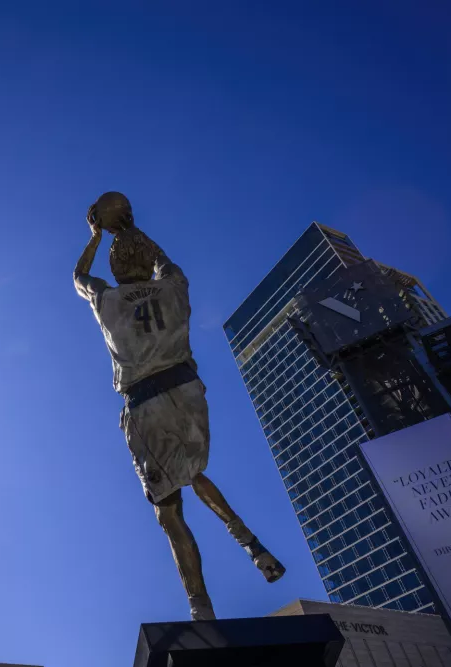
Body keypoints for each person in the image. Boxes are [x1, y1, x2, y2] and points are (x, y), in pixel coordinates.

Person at [73, 191, 285, 621]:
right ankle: (251, 545)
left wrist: (97, 235)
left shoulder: (108, 299)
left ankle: (201, 607)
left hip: (144, 402)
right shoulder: (174, 287)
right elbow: (163, 260)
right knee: (194, 473)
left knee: (169, 512)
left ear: (115, 268)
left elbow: (79, 276)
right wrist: (131, 229)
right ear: (146, 260)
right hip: (187, 393)